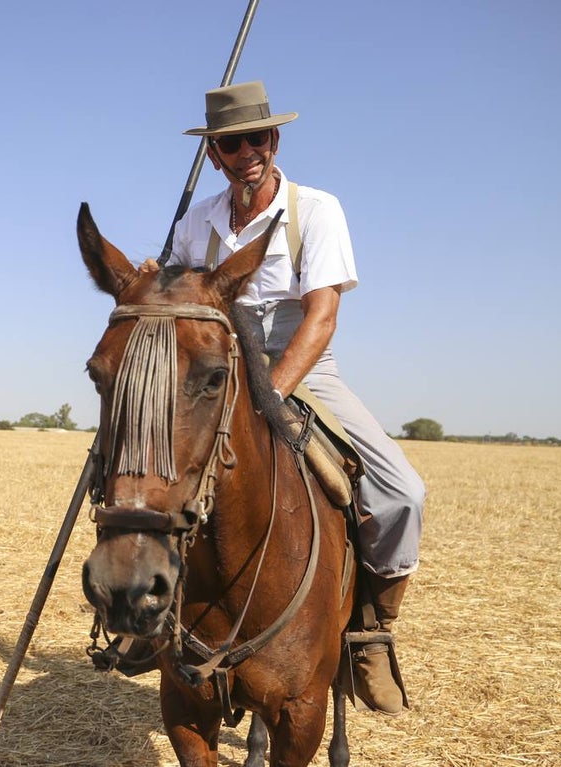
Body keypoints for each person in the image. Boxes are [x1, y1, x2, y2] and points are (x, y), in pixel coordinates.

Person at [141, 81, 425, 716]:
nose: (247, 153)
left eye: (257, 138)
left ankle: (371, 633)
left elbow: (322, 317)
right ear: (213, 154)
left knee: (404, 493)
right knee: (142, 467)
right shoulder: (197, 220)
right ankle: (144, 615)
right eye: (231, 143)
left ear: (275, 140)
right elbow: (175, 299)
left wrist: (271, 395)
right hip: (218, 368)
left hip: (304, 367)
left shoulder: (317, 210)